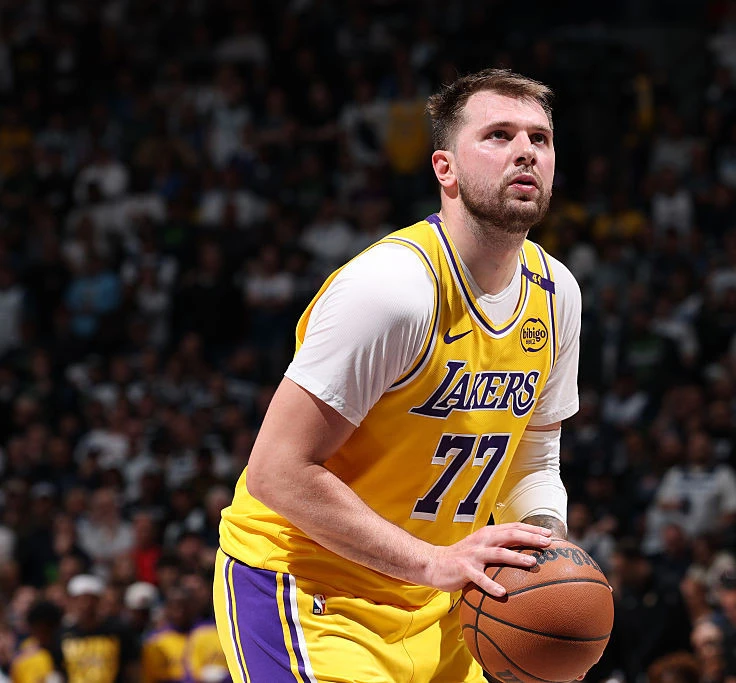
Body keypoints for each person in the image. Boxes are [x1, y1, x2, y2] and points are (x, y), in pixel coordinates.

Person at [214, 69, 582, 683]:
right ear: (445, 169)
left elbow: (535, 458)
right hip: (312, 590)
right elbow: (277, 471)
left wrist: (545, 554)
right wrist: (432, 562)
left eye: (539, 138)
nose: (525, 151)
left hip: (442, 600)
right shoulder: (394, 289)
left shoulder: (556, 292)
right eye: (498, 135)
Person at [9, 600, 64, 683]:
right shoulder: (26, 655)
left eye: (47, 630)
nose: (42, 634)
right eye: (39, 629)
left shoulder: (64, 648)